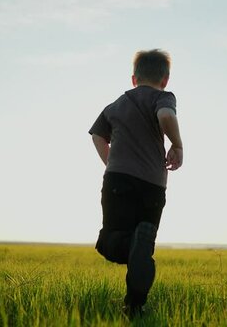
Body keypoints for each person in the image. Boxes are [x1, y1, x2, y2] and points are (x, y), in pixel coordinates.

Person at [88, 49, 183, 316]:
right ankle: (134, 307)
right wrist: (177, 145)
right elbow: (166, 115)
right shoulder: (164, 97)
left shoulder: (116, 105)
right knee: (142, 250)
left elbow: (97, 135)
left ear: (133, 79)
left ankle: (130, 244)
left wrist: (112, 162)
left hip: (119, 181)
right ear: (165, 79)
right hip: (153, 185)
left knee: (110, 242)